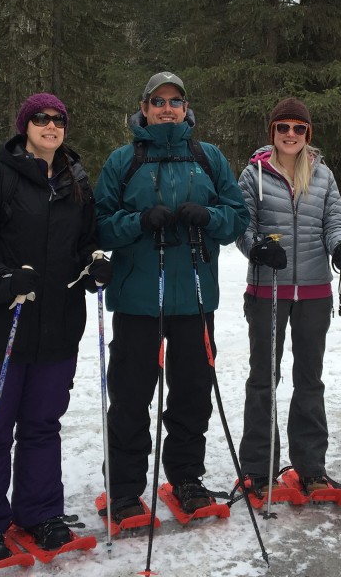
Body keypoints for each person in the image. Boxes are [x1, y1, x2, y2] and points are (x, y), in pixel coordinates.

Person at [0, 93, 111, 563]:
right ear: (25, 126)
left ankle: (40, 514)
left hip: (55, 325)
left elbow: (87, 241)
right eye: (40, 118)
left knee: (42, 425)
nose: (50, 125)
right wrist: (1, 279)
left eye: (58, 119)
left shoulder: (75, 180)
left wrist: (95, 264)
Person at [93, 71, 249, 523]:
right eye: (157, 101)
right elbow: (100, 223)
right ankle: (123, 490)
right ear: (144, 108)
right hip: (138, 300)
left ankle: (186, 479)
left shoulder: (208, 157)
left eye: (174, 101)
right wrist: (139, 222)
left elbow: (237, 218)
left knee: (193, 395)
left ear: (185, 108)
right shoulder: (125, 160)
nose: (166, 108)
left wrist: (209, 216)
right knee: (130, 396)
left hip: (195, 300)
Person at [235, 97, 341, 497]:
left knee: (310, 380)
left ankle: (310, 466)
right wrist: (255, 248)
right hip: (266, 290)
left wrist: (339, 245)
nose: (291, 135)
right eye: (283, 127)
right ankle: (257, 467)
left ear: (308, 135)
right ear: (272, 132)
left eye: (299, 128)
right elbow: (242, 223)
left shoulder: (321, 175)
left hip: (314, 291)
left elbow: (333, 219)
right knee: (263, 379)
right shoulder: (253, 174)